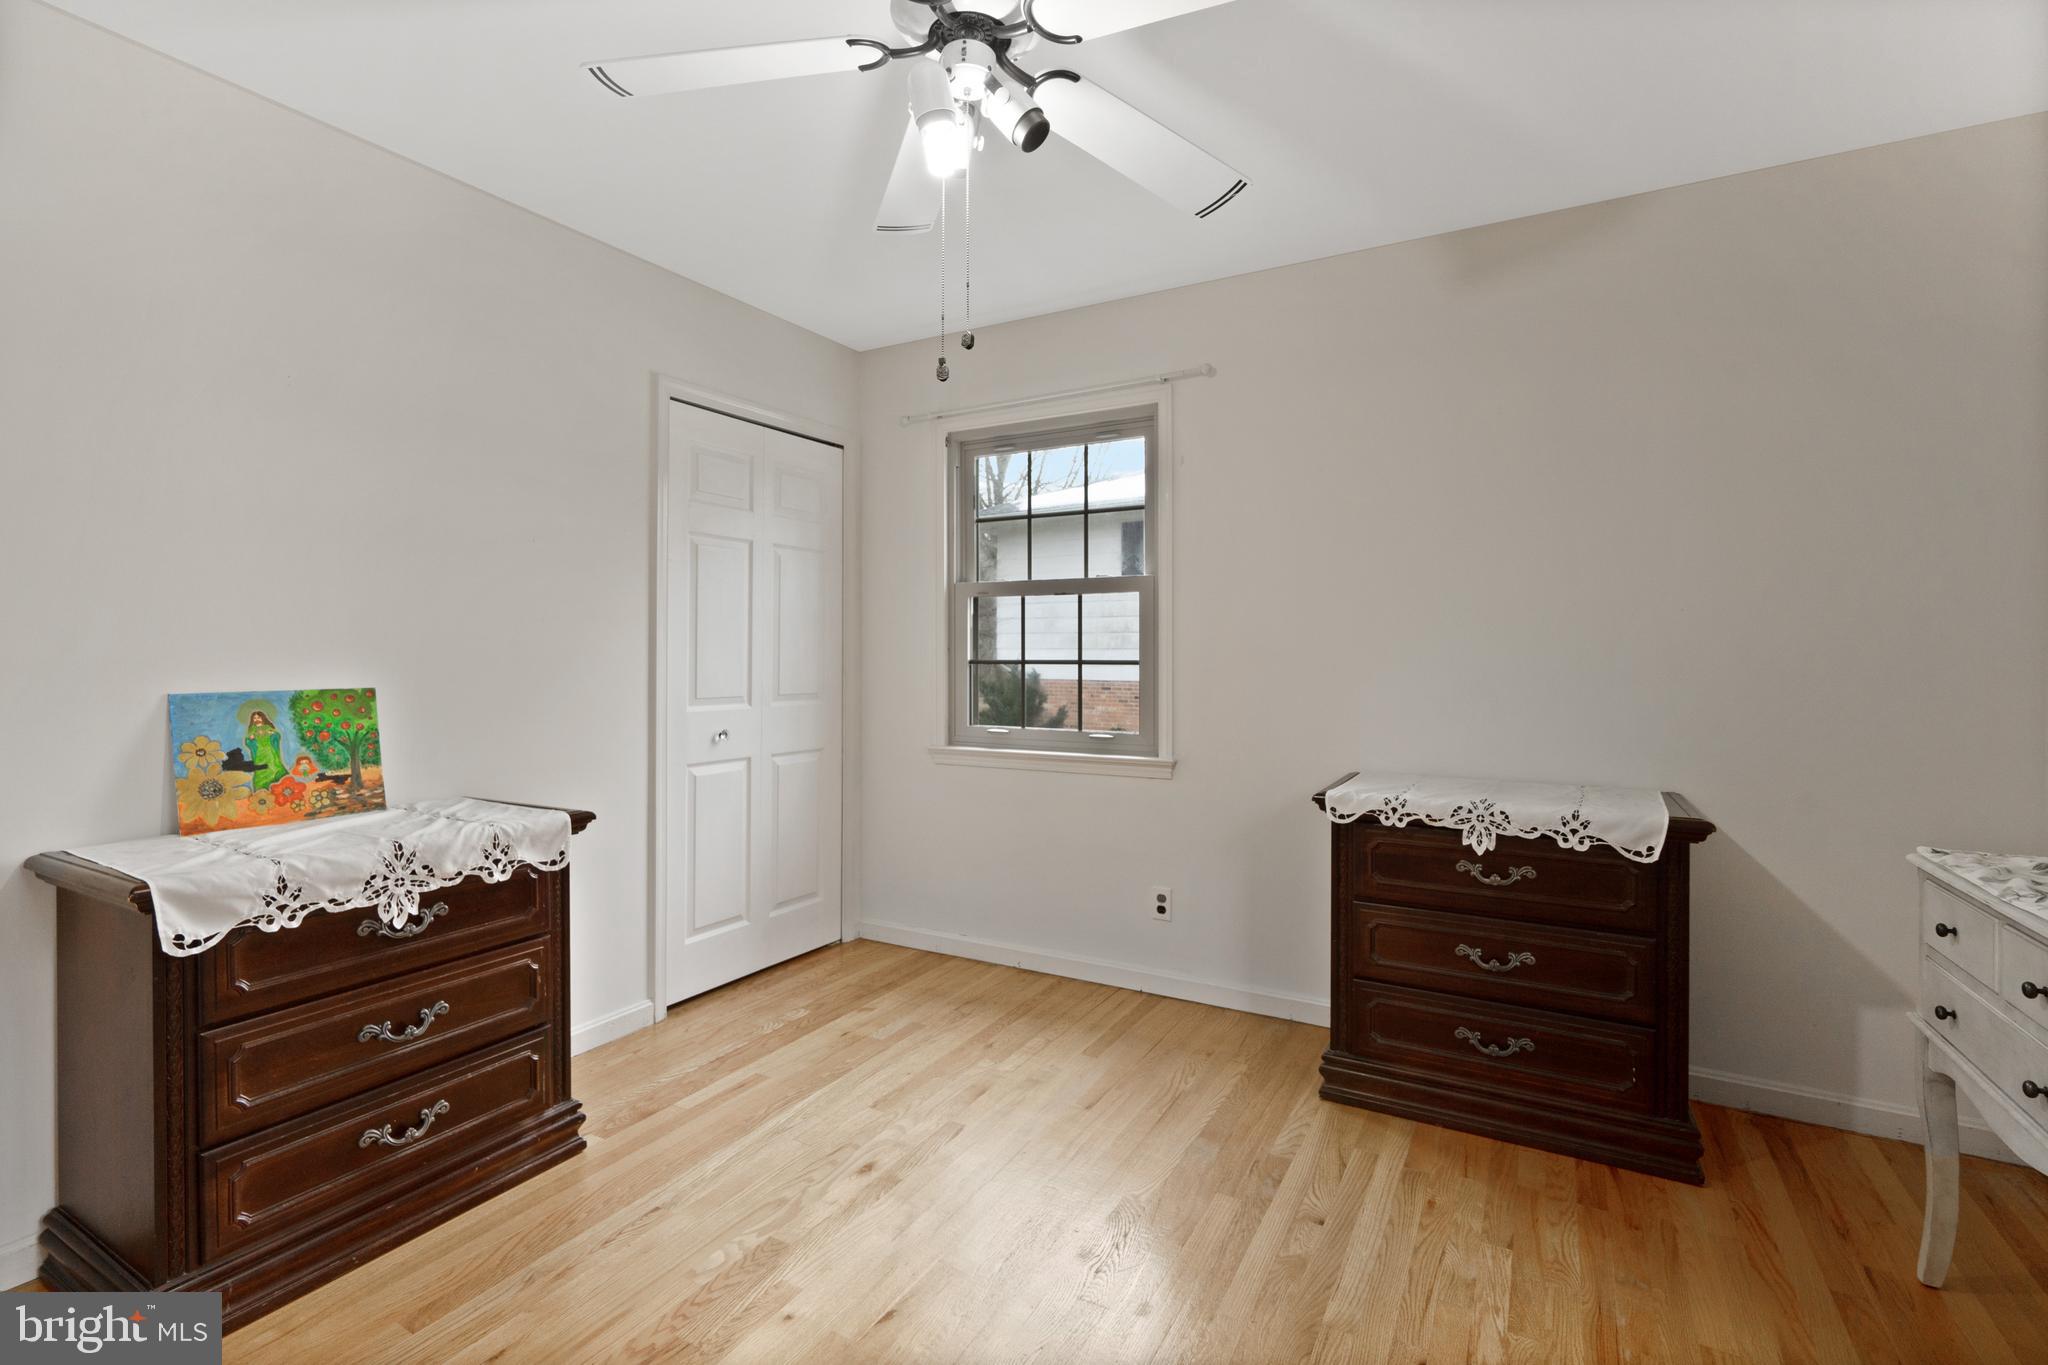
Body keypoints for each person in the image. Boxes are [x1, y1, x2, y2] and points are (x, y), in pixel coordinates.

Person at [245, 709, 288, 789]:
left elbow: (277, 736)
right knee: (261, 770)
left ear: (263, 718)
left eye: (259, 717)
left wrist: (273, 734)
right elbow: (248, 741)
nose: (257, 719)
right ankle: (263, 789)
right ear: (252, 720)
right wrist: (251, 739)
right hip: (259, 753)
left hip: (270, 751)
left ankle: (278, 786)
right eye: (255, 718)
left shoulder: (267, 727)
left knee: (274, 766)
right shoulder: (252, 729)